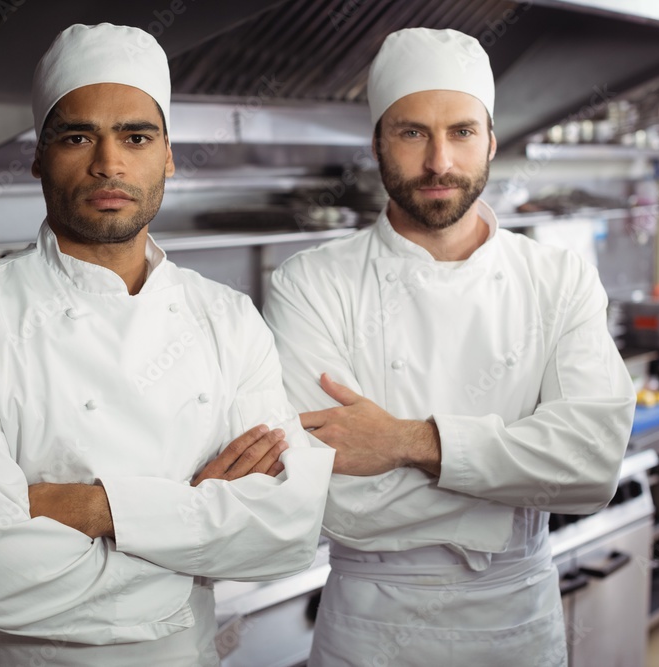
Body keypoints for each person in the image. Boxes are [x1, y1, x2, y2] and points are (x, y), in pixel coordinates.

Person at [0, 23, 333, 667]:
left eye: (136, 136)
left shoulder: (228, 318)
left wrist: (93, 508)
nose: (109, 163)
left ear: (168, 156)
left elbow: (286, 530)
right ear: (38, 157)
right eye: (77, 136)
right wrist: (197, 523)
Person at [263, 27, 636, 666]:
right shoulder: (311, 283)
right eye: (412, 133)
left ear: (490, 140)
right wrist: (515, 476)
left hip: (517, 622)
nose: (440, 162)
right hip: (370, 629)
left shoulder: (557, 277)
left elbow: (590, 466)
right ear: (379, 142)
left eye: (461, 132)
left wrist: (405, 443)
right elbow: (331, 497)